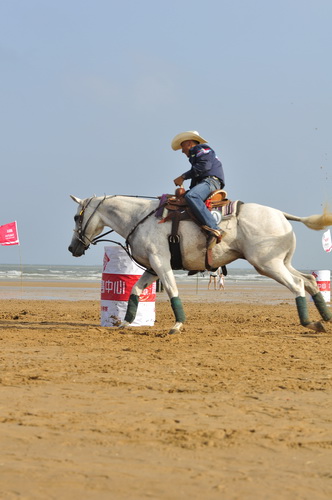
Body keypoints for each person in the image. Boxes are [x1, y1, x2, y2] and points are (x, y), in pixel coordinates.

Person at [172, 130, 226, 249]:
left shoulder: (201, 149)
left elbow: (204, 166)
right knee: (189, 196)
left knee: (192, 196)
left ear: (189, 143)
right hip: (206, 181)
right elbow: (198, 174)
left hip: (211, 181)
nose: (182, 151)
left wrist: (183, 177)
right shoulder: (198, 154)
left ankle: (214, 228)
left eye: (182, 146)